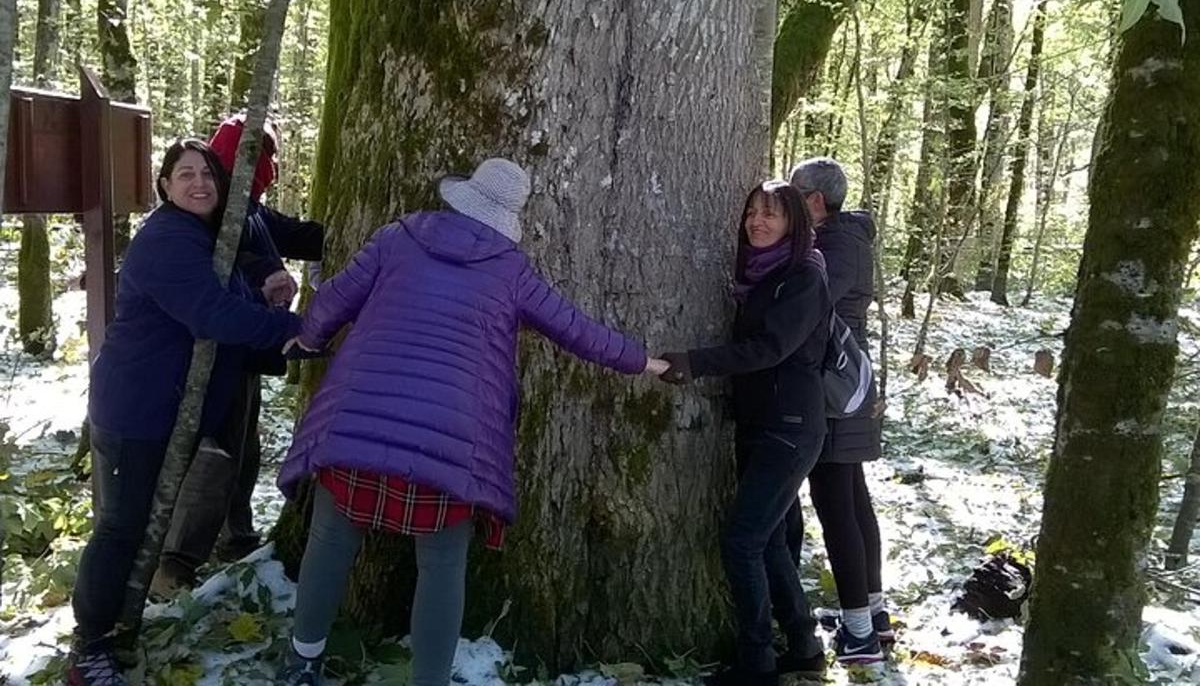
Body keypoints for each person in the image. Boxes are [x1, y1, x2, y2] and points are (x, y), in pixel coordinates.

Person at [273, 158, 668, 686]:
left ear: (461, 197)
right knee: (441, 568)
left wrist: (308, 339)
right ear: (507, 218)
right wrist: (644, 361)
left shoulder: (397, 238)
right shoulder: (511, 272)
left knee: (331, 538)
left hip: (357, 421)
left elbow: (335, 300)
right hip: (452, 443)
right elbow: (578, 330)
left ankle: (302, 662)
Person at [68, 140, 302, 686]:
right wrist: (298, 332)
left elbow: (235, 307)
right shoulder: (169, 239)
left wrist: (274, 317)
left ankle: (117, 626)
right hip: (134, 410)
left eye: (208, 177)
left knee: (141, 520)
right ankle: (88, 649)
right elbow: (213, 314)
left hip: (159, 410)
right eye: (185, 174)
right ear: (165, 186)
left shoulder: (207, 238)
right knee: (121, 525)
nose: (199, 184)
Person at [658, 180, 830, 686]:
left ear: (794, 224)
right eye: (753, 212)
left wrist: (693, 363)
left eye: (771, 214)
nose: (758, 221)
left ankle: (757, 663)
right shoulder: (759, 277)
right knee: (771, 542)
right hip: (761, 424)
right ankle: (802, 646)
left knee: (742, 542)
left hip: (791, 428)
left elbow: (769, 348)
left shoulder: (803, 278)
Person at [152, 115, 325, 596]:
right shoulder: (211, 215)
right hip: (211, 351)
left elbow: (294, 235)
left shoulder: (247, 208)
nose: (268, 167)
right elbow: (215, 270)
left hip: (245, 349)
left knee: (240, 451)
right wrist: (263, 280)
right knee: (213, 453)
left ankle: (234, 536)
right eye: (260, 157)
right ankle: (175, 563)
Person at [789, 157, 890, 664]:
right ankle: (872, 614)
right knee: (851, 498)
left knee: (836, 506)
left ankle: (859, 635)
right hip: (849, 383)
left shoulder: (835, 245)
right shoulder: (845, 239)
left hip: (836, 386)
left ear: (814, 201)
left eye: (793, 193)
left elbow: (809, 303)